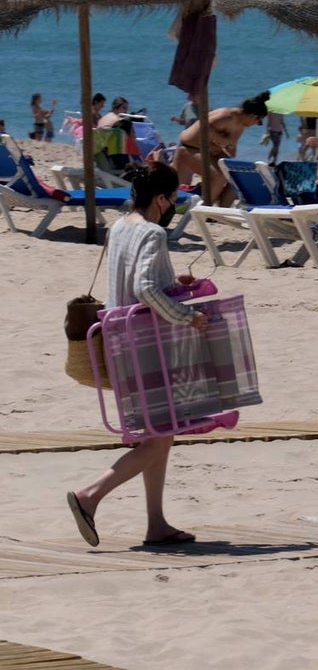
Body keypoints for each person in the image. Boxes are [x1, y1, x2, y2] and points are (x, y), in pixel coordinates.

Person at [66, 162, 211, 549]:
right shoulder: (151, 232)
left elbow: (138, 283)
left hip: (120, 341)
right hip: (147, 345)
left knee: (159, 435)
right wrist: (187, 315)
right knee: (159, 438)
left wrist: (174, 285)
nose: (172, 208)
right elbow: (146, 290)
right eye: (173, 201)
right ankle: (89, 496)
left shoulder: (119, 227)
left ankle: (157, 524)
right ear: (161, 198)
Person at [170, 91, 271, 204]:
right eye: (259, 122)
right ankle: (205, 208)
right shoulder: (227, 116)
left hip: (208, 153)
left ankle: (221, 209)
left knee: (236, 177)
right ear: (254, 117)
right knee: (219, 176)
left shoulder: (241, 124)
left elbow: (232, 147)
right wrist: (223, 141)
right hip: (189, 149)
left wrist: (232, 163)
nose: (256, 124)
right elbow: (205, 128)